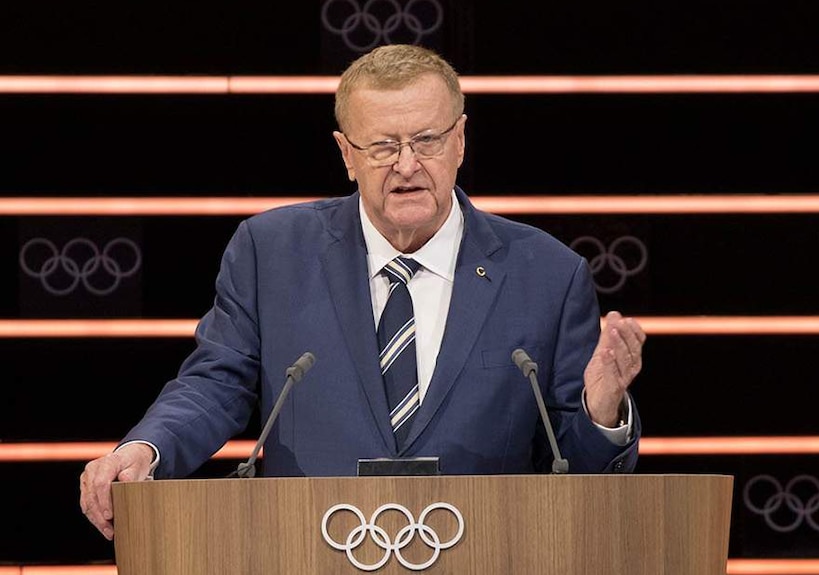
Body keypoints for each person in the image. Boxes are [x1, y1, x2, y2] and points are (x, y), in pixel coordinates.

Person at [80, 44, 646, 540]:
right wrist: (145, 448)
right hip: (307, 549)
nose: (407, 165)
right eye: (382, 146)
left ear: (461, 141)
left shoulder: (546, 272)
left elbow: (578, 470)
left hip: (492, 553)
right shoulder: (269, 252)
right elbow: (215, 384)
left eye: (426, 140)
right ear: (346, 153)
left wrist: (601, 411)